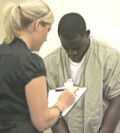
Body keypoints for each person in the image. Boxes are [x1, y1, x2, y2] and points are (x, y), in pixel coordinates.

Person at [0, 1, 78, 133]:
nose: (46, 39)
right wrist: (61, 104)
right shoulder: (31, 62)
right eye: (47, 31)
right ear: (37, 25)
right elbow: (42, 121)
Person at [44, 12, 120, 133]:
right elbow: (52, 109)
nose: (72, 53)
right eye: (66, 48)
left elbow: (117, 101)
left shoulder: (110, 58)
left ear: (87, 34)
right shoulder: (50, 63)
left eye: (76, 47)